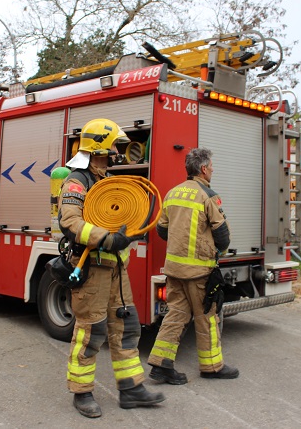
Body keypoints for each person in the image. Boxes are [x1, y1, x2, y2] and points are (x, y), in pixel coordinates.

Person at [58, 118, 165, 418]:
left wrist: (129, 230)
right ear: (99, 148)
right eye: (114, 148)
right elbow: (70, 222)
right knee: (91, 332)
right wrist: (106, 238)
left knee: (127, 327)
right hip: (91, 270)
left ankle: (131, 388)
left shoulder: (105, 181)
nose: (118, 153)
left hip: (116, 271)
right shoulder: (77, 180)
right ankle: (82, 392)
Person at [147, 148, 239, 385]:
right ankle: (212, 367)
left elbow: (162, 230)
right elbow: (223, 235)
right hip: (199, 272)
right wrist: (217, 253)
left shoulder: (172, 193)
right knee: (207, 317)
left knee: (175, 315)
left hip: (174, 270)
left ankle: (160, 365)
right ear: (204, 169)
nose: (213, 170)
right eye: (211, 166)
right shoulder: (208, 196)